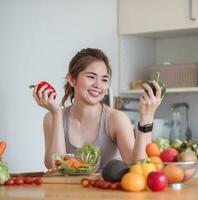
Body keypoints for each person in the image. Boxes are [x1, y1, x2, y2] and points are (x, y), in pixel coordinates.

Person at [33, 48, 162, 169]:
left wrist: (147, 117)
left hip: (107, 191)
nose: (98, 85)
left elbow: (137, 166)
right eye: (91, 77)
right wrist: (56, 114)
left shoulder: (115, 119)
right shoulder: (51, 118)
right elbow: (54, 166)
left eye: (104, 79)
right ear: (72, 79)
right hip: (69, 192)